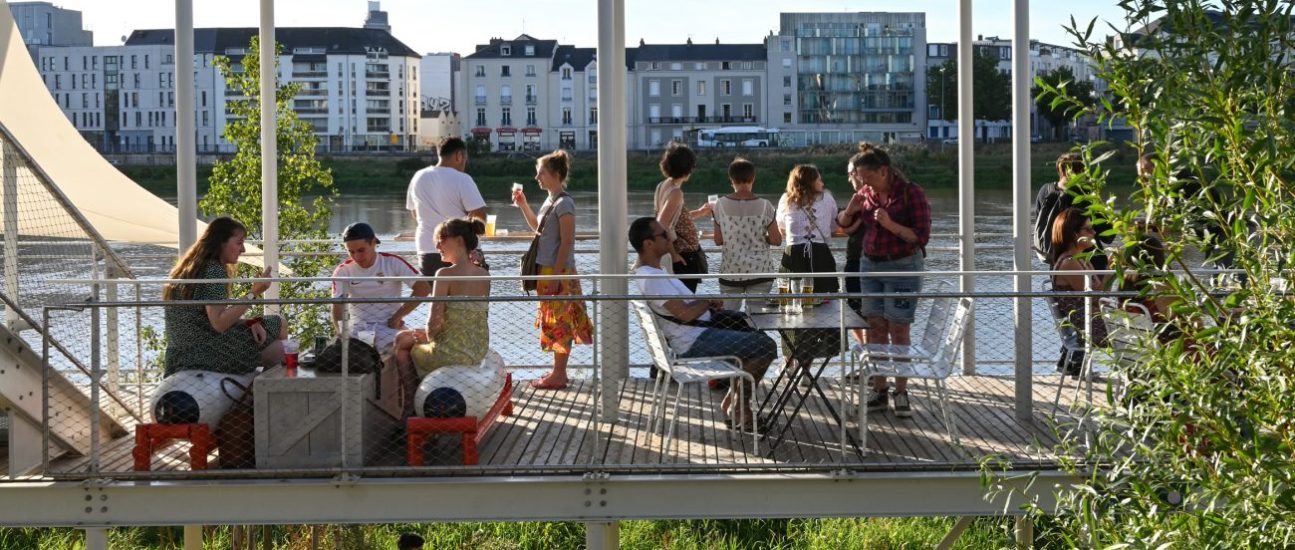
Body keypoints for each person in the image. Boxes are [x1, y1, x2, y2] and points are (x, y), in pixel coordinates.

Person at [630, 216, 777, 430]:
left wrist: (706, 304)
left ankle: (731, 403)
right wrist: (707, 302)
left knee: (758, 338)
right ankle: (740, 408)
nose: (670, 237)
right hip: (693, 343)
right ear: (648, 244)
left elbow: (685, 309)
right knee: (765, 346)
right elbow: (685, 314)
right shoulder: (651, 279)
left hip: (699, 333)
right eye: (664, 234)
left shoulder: (656, 272)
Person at [836, 143, 931, 418]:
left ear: (884, 171)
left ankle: (901, 393)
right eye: (860, 179)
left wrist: (890, 225)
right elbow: (842, 223)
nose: (863, 184)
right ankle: (880, 390)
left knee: (899, 331)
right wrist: (851, 209)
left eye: (867, 178)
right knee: (874, 328)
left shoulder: (912, 193)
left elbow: (920, 237)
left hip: (902, 267)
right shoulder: (865, 193)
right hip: (869, 266)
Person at [162, 216, 288, 376]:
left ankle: (258, 383)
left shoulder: (190, 268)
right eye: (239, 242)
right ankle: (265, 388)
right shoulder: (213, 270)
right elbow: (219, 323)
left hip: (180, 355)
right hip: (206, 353)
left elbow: (204, 319)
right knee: (279, 324)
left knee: (271, 328)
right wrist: (254, 293)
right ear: (221, 242)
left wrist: (249, 322)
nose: (243, 250)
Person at [513, 150, 595, 390]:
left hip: (557, 271)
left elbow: (568, 241)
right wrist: (523, 204)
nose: (537, 177)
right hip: (547, 269)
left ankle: (559, 375)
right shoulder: (551, 201)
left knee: (560, 321)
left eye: (541, 173)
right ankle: (559, 372)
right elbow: (537, 230)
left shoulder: (565, 203)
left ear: (556, 175)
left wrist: (557, 276)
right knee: (556, 320)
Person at [394, 218, 492, 409]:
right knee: (411, 337)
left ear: (459, 241)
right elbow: (474, 318)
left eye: (442, 239)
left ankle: (412, 403)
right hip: (476, 350)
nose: (437, 244)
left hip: (449, 354)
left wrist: (427, 337)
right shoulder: (484, 275)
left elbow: (434, 322)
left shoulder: (444, 274)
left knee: (401, 343)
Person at [330, 222, 431, 354]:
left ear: (373, 243)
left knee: (409, 349)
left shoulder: (392, 262)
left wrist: (398, 316)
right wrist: (341, 334)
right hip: (358, 329)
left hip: (389, 326)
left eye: (361, 250)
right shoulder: (343, 271)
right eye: (351, 252)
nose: (356, 257)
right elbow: (337, 306)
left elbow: (423, 288)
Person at [407, 137, 487, 276]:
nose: (465, 162)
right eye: (465, 158)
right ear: (459, 155)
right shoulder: (463, 179)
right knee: (472, 295)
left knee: (436, 295)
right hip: (461, 250)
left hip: (427, 248)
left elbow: (414, 214)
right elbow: (479, 216)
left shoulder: (418, 177)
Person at [712, 157, 781, 310]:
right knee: (757, 320)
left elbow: (718, 240)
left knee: (730, 319)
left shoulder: (720, 205)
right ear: (753, 178)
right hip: (760, 272)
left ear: (731, 179)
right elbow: (777, 240)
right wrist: (763, 238)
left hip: (731, 271)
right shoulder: (765, 205)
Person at [1049, 208, 1110, 375]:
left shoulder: (1081, 259)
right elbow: (1096, 298)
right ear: (1073, 233)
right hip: (1092, 329)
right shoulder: (1070, 263)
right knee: (1147, 328)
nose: (1094, 232)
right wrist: (1112, 270)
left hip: (1094, 323)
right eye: (1088, 229)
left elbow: (1098, 293)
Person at [1033, 152, 1113, 269]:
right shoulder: (1084, 196)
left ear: (1060, 170)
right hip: (1090, 263)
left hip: (1058, 262)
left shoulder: (1046, 191)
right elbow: (1108, 236)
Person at [653, 142, 711, 292]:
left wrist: (700, 212)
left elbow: (672, 218)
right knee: (686, 303)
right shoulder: (675, 193)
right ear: (688, 168)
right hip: (683, 256)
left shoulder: (663, 185)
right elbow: (663, 224)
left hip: (682, 255)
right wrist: (674, 254)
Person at [776, 164, 840, 293]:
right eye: (819, 180)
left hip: (794, 253)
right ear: (811, 182)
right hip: (820, 254)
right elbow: (834, 226)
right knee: (826, 299)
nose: (822, 183)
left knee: (793, 298)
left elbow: (781, 227)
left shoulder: (786, 200)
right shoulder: (827, 198)